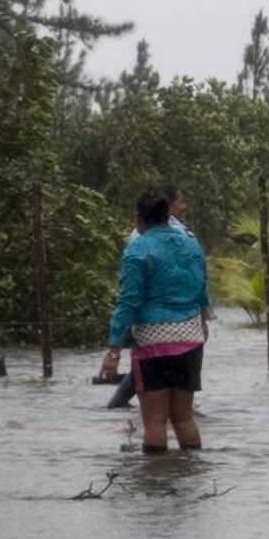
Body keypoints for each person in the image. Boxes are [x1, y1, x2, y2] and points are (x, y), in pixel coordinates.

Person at [101, 187, 212, 453]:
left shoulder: (138, 249)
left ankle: (155, 487)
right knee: (185, 418)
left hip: (153, 342)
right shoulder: (190, 242)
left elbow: (128, 302)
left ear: (139, 218)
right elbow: (202, 288)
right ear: (166, 214)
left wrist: (114, 349)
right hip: (190, 337)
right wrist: (202, 321)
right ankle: (191, 478)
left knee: (154, 421)